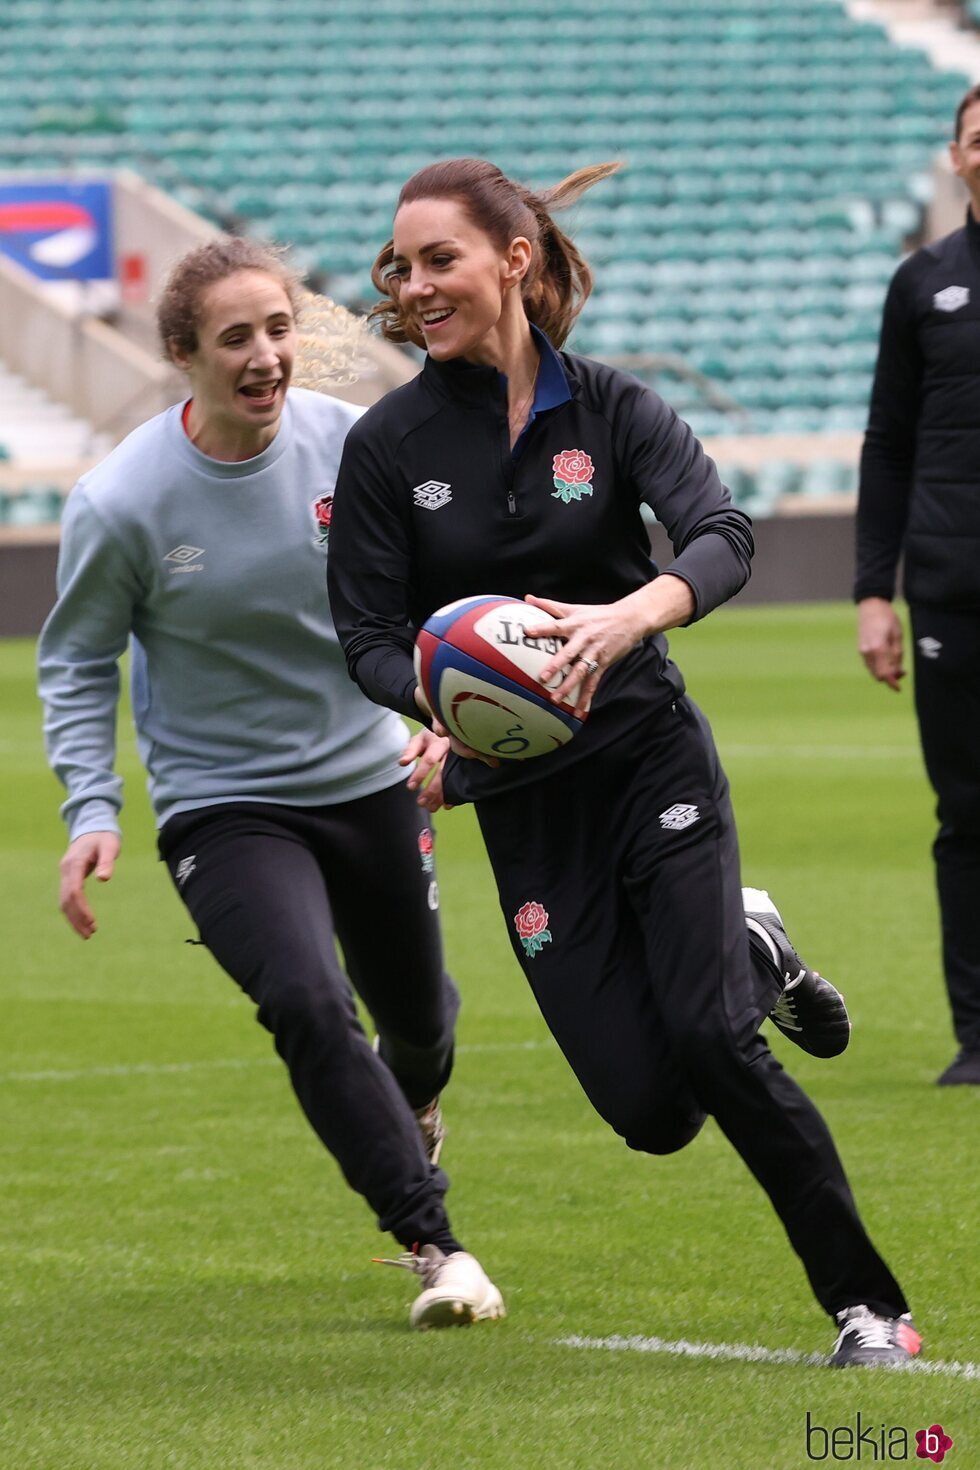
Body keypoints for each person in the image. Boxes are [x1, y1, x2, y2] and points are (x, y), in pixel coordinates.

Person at [326, 158, 921, 1368]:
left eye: (440, 257)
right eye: (403, 264)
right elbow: (368, 639)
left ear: (513, 258)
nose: (417, 283)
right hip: (521, 800)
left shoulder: (611, 407)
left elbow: (721, 533)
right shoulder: (388, 448)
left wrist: (630, 615)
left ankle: (868, 1311)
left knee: (711, 1042)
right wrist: (433, 703)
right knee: (650, 1114)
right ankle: (754, 948)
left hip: (652, 759)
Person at [36, 235, 504, 1331]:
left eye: (280, 328)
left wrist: (440, 721)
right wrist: (92, 808)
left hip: (370, 779)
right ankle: (436, 1246)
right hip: (224, 806)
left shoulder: (359, 449)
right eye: (235, 337)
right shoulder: (122, 502)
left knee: (420, 1029)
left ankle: (416, 1099)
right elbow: (73, 659)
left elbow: (439, 596)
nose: (264, 355)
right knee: (303, 999)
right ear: (183, 354)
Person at [856, 84, 980, 1090]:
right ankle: (977, 1038)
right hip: (952, 590)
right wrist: (870, 592)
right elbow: (887, 444)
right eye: (976, 138)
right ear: (954, 158)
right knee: (966, 816)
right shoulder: (921, 284)